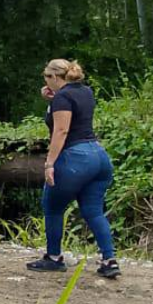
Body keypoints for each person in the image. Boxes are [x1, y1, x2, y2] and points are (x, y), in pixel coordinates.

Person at [26, 59, 120, 278]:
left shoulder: (62, 98)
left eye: (46, 77)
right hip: (98, 156)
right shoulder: (85, 91)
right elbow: (75, 113)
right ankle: (109, 260)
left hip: (75, 157)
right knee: (93, 210)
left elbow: (61, 131)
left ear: (54, 77)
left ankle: (53, 257)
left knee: (52, 206)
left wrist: (50, 163)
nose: (45, 82)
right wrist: (52, 99)